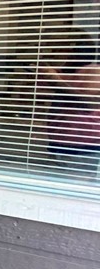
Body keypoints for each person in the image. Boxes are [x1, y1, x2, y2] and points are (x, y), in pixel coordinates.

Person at [40, 33, 100, 175]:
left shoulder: (94, 72)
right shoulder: (64, 71)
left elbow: (88, 105)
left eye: (58, 49)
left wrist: (53, 78)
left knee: (75, 188)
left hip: (82, 147)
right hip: (60, 142)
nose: (53, 52)